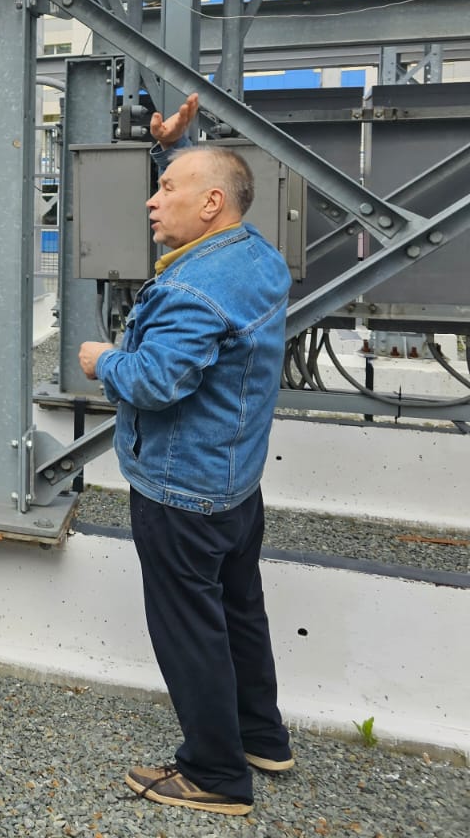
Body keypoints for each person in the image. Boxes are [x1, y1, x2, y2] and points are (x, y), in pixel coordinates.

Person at [78, 93, 293, 817]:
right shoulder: (255, 256)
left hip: (180, 491)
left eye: (166, 186)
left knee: (189, 629)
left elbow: (156, 381)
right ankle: (261, 737)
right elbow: (217, 181)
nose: (151, 198)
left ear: (209, 206)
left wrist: (103, 360)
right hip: (234, 483)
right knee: (239, 609)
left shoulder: (194, 287)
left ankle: (215, 774)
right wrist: (175, 147)